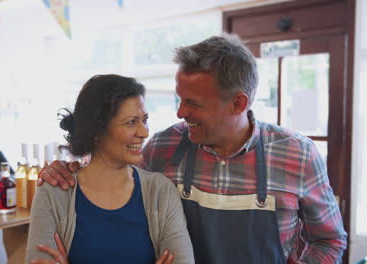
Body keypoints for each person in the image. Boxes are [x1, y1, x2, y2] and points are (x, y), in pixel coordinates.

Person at [39, 33, 347, 263]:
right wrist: (64, 169)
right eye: (179, 99)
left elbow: (330, 239)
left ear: (238, 103)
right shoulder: (162, 147)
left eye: (193, 103)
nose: (180, 112)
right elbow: (109, 173)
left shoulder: (297, 154)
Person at [26, 74, 194, 264]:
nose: (145, 132)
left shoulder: (161, 191)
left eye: (144, 120)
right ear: (97, 130)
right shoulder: (53, 192)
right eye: (131, 122)